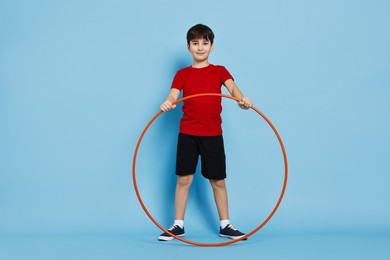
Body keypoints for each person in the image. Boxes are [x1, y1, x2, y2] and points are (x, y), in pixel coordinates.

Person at [158, 24, 252, 241]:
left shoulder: (219, 71)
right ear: (188, 47)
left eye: (205, 43)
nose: (200, 47)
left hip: (212, 135)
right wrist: (167, 102)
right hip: (188, 134)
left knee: (218, 180)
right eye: (195, 43)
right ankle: (178, 225)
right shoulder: (182, 74)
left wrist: (242, 100)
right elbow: (173, 95)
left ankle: (225, 225)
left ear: (211, 46)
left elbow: (234, 89)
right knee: (184, 179)